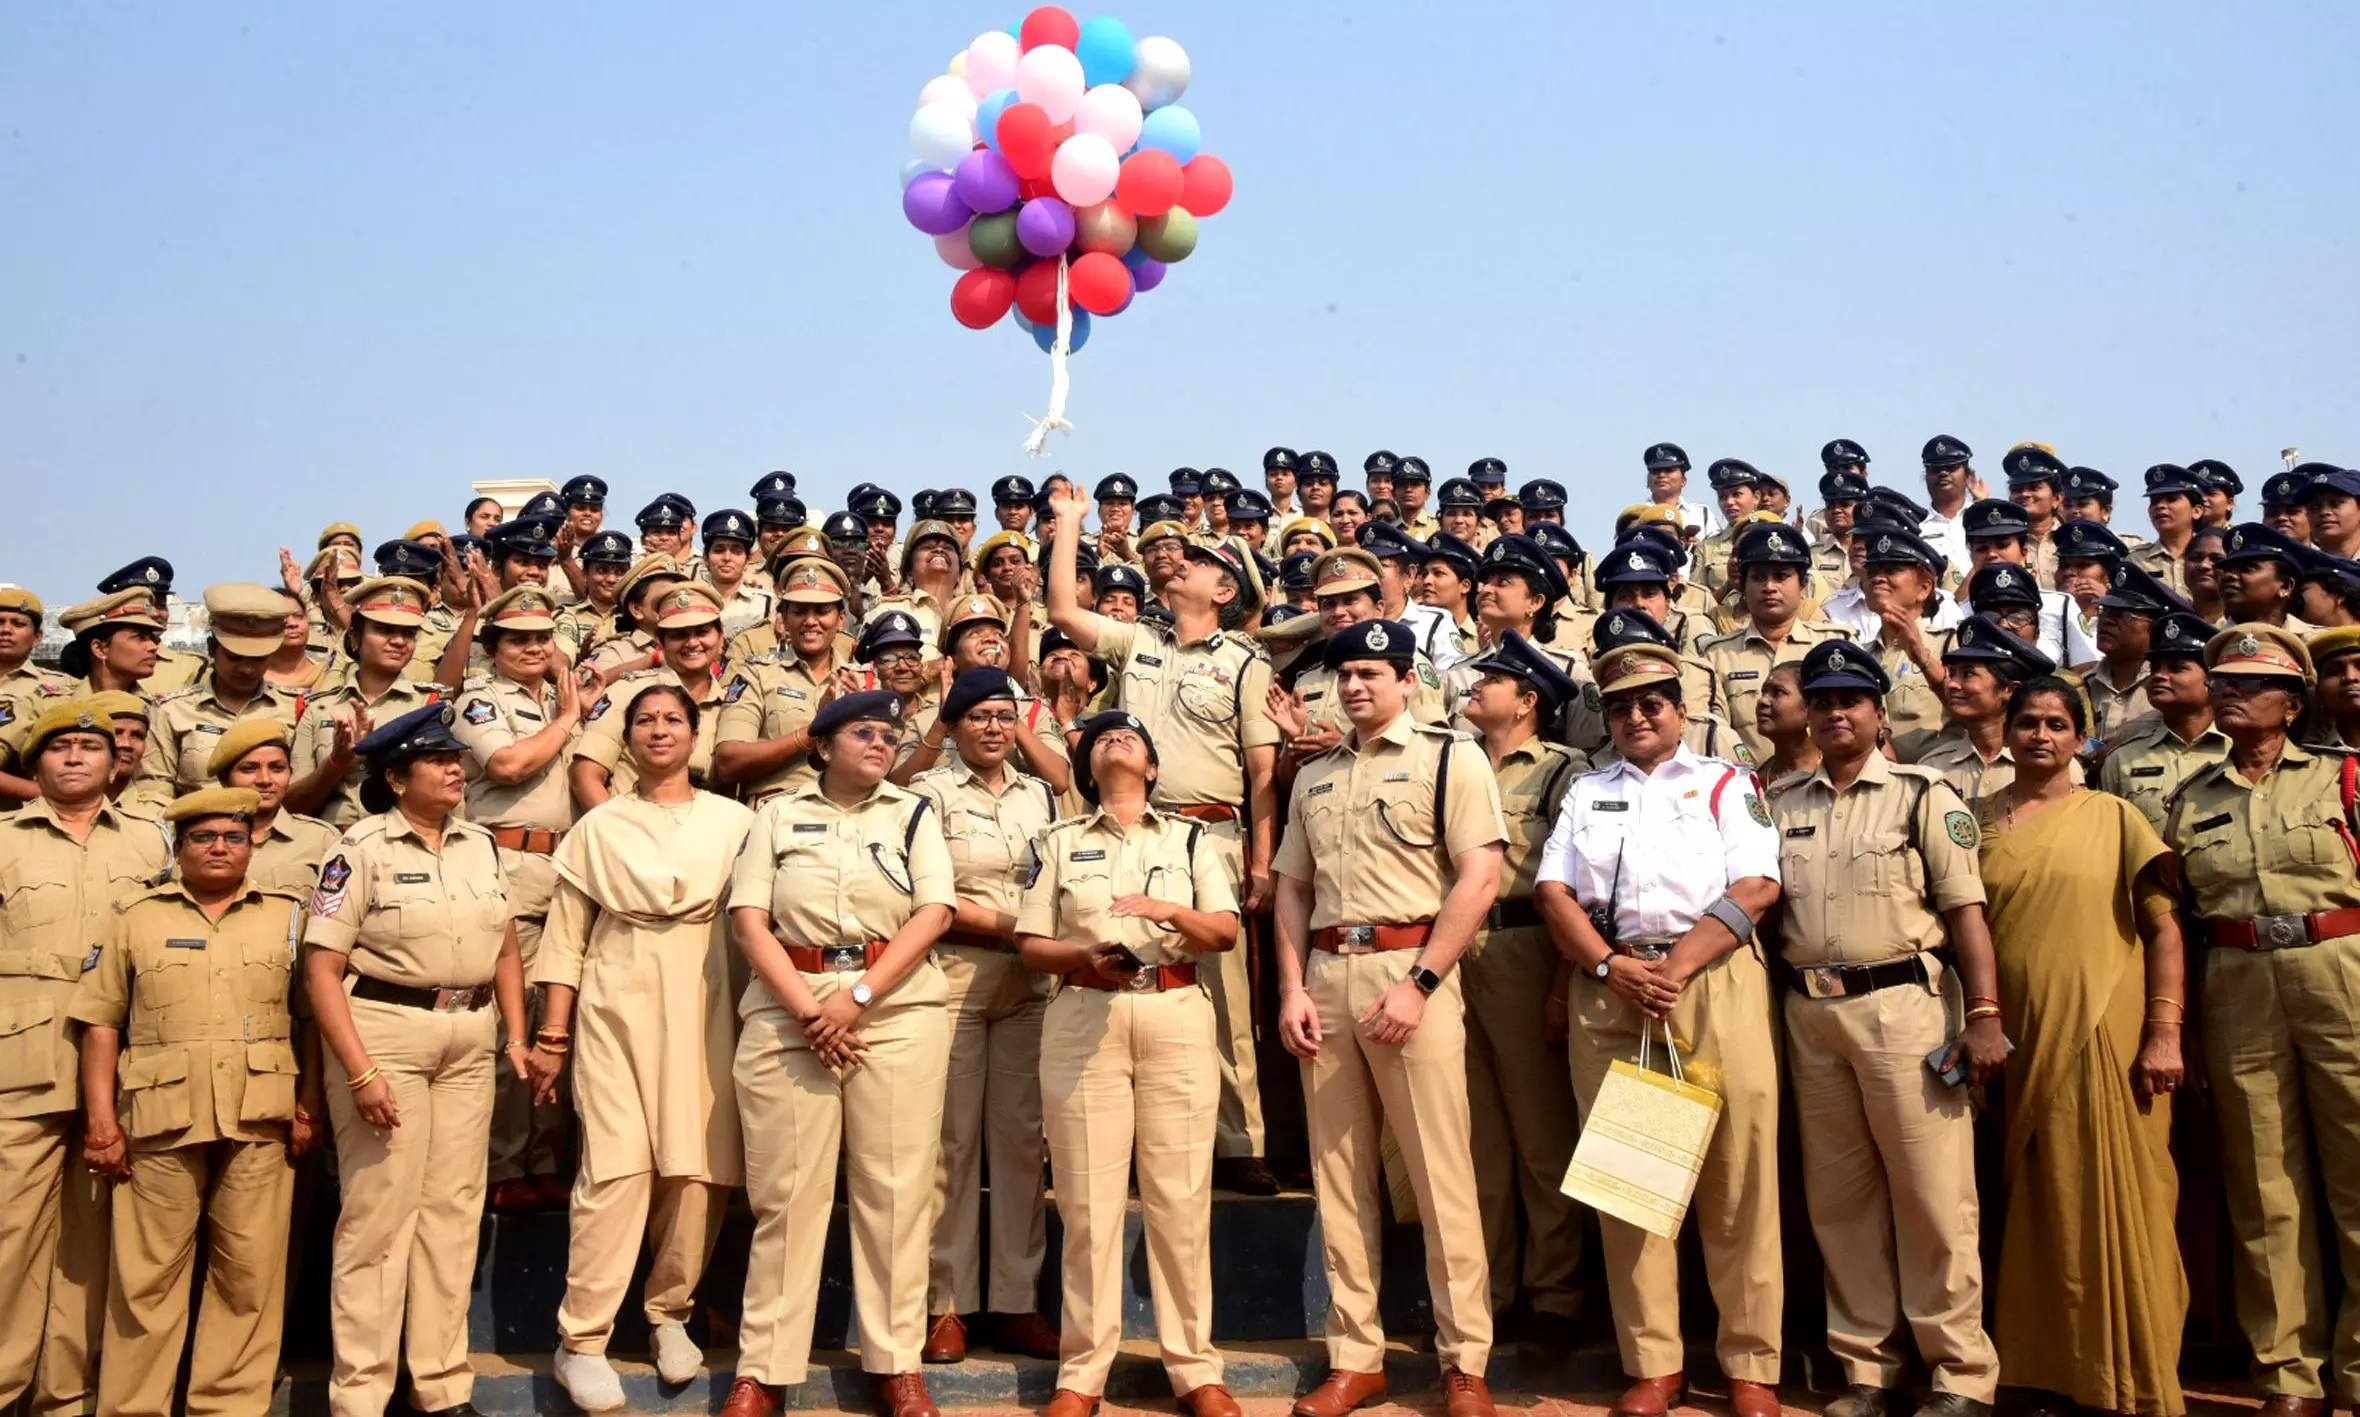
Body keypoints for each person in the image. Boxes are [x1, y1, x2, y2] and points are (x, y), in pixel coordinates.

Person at [1534, 639, 1784, 1417]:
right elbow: (1553, 891)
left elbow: (1759, 883)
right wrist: (1611, 966)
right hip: (1615, 988)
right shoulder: (1588, 788)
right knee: (1635, 1181)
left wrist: (1674, 966)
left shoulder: (1722, 781)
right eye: (1619, 705)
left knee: (1737, 1175)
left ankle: (1751, 1364)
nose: (1636, 716)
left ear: (1680, 709)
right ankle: (1655, 1362)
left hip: (1708, 982)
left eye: (1652, 702)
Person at [1767, 640, 2006, 1417]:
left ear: (1878, 712)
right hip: (1812, 1012)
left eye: (1852, 700)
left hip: (1904, 1005)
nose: (1836, 712)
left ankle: (1960, 1372)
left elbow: (1965, 911)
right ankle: (1868, 1367)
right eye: (1824, 698)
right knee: (1840, 1199)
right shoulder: (1784, 800)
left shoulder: (1920, 791)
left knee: (1934, 1195)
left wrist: (1984, 1014)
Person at [1274, 619, 1505, 1417]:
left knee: (1442, 1175)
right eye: (1344, 675)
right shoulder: (1313, 775)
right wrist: (1292, 988)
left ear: (1409, 680)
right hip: (1331, 972)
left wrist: (1421, 981)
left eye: (1372, 672)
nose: (1354, 686)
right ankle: (1355, 1354)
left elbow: (1479, 875)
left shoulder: (1450, 756)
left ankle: (1464, 1358)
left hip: (1414, 973)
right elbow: (1294, 891)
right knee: (1340, 1179)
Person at [1044, 484, 1284, 1196]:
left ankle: (1242, 1143)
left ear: (1226, 586)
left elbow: (1263, 767)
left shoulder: (1244, 660)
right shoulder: (1138, 639)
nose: (1183, 560)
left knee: (1221, 993)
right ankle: (1138, 1139)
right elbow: (1062, 610)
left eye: (1204, 559)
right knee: (1131, 979)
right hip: (1133, 824)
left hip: (1211, 831)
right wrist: (1068, 524)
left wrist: (1262, 859)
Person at [723, 690, 953, 1417]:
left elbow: (934, 912)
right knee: (788, 1196)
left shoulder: (913, 812)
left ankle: (896, 1361)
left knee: (895, 1189)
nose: (881, 742)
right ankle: (765, 1367)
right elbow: (749, 921)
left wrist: (852, 1000)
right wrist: (808, 1008)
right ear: (821, 746)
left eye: (890, 733)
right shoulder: (776, 814)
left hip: (894, 1003)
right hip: (791, 1001)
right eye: (863, 732)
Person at [523, 682, 749, 1411]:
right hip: (615, 1005)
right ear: (626, 738)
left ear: (695, 734)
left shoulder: (739, 822)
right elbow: (564, 940)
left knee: (698, 1168)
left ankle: (669, 1310)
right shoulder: (599, 826)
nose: (659, 731)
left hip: (709, 1000)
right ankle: (581, 1338)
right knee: (616, 1168)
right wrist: (552, 1034)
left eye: (673, 720)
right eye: (645, 721)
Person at [1011, 711, 1243, 1417]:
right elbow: (1030, 943)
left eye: (1131, 737)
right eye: (1101, 736)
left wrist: (1168, 908)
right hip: (1084, 1016)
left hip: (1174, 1010)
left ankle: (1196, 1367)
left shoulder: (1193, 836)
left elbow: (1225, 932)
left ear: (1151, 767)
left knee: (1179, 1199)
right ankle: (1082, 1372)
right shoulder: (1057, 841)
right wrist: (1085, 955)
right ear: (1085, 765)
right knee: (1087, 1205)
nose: (1115, 740)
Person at [304, 702, 529, 1417]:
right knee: (378, 1216)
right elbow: (320, 966)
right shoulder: (360, 848)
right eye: (438, 760)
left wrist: (516, 1034)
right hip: (386, 1029)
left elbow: (507, 947)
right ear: (397, 777)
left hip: (467, 1034)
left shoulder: (479, 844)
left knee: (452, 1215)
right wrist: (361, 1070)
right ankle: (361, 1395)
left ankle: (439, 1384)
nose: (455, 768)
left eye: (456, 758)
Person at [1976, 675, 2190, 1416]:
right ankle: (2047, 1367)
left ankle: (2129, 1372)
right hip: (2013, 1038)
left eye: (2058, 723)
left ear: (2080, 736)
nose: (2041, 734)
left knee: (2121, 1194)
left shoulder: (2116, 814)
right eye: (2028, 720)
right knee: (2040, 1200)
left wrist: (2164, 1030)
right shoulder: (1971, 821)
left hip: (2106, 1029)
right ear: (2004, 730)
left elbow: (2162, 927)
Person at [2165, 624, 2360, 1417]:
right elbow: (2177, 912)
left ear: (2293, 701)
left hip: (2341, 971)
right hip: (2236, 981)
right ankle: (2288, 1372)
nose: (2232, 691)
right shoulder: (2192, 796)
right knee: (2264, 1183)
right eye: (2225, 679)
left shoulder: (2344, 777)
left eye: (2252, 681)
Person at [71, 786, 315, 1416]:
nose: (219, 848)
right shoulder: (136, 915)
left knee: (249, 1276)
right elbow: (101, 1025)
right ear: (180, 848)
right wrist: (101, 1123)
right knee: (147, 1278)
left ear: (250, 847)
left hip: (260, 1115)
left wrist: (308, 1107)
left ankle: (227, 1407)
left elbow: (309, 1019)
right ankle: (133, 1408)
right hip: (158, 1119)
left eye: (233, 838)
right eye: (204, 838)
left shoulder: (288, 916)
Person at [0, 703, 174, 1415]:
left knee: (92, 1237)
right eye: (59, 747)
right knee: (10, 1233)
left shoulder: (149, 841)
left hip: (124, 1059)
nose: (74, 758)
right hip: (21, 1058)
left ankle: (64, 1392)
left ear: (114, 761)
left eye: (89, 746)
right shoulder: (4, 839)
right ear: (35, 764)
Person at [909, 670, 1062, 1365]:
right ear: (955, 724)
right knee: (951, 1144)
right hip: (957, 973)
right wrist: (1026, 927)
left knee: (1021, 1144)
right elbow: (934, 895)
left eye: (1004, 715)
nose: (994, 728)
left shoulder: (1041, 794)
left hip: (1029, 982)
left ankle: (1016, 1299)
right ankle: (947, 1303)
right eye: (978, 716)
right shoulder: (929, 793)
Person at [1453, 633, 1591, 1345]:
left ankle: (1554, 1295)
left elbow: (1581, 884)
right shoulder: (1456, 761)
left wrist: (1563, 983)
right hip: (1453, 952)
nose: (1477, 686)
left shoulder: (1563, 772)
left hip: (1526, 946)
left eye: (1493, 680)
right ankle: (1492, 1292)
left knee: (1541, 1134)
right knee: (1477, 1137)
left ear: (1528, 699)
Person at [450, 585, 585, 1212]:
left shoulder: (560, 693)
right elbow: (505, 765)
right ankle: (505, 1164)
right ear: (493, 647)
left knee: (561, 1027)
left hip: (563, 868)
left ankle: (544, 1159)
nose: (532, 648)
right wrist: (565, 719)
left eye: (541, 637)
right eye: (517, 640)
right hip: (508, 864)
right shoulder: (481, 697)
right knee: (514, 1025)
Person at [129, 584, 307, 811]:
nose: (246, 669)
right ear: (212, 649)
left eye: (258, 659)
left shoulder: (297, 707)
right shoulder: (171, 711)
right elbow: (155, 788)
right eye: (235, 658)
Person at [288, 576, 444, 826]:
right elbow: (293, 805)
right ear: (354, 637)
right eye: (384, 630)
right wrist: (337, 763)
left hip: (405, 847)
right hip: (332, 845)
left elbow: (446, 799)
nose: (398, 641)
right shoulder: (318, 708)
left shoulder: (430, 706)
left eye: (408, 633)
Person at [1699, 522, 1852, 766]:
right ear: (1743, 587)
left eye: (1781, 577)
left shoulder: (1835, 644)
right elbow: (1714, 735)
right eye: (1758, 577)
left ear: (1803, 587)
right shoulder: (1715, 655)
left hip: (1824, 790)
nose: (1769, 587)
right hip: (1745, 788)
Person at [571, 582, 732, 809]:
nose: (693, 642)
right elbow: (585, 776)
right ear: (661, 642)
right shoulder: (628, 691)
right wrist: (617, 835)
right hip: (629, 829)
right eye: (679, 634)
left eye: (703, 631)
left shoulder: (729, 704)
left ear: (721, 637)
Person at [714, 558, 861, 805]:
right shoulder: (757, 674)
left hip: (847, 814)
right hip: (777, 811)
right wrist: (814, 731)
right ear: (782, 617)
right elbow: (728, 763)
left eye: (823, 611)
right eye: (799, 611)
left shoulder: (862, 680)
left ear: (841, 619)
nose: (810, 621)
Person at [2098, 611, 2228, 830]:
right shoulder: (2122, 758)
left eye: (2177, 668)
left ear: (2212, 680)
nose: (2159, 676)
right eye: (2155, 668)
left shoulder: (2238, 748)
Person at [1919, 615, 2060, 804]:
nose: (1952, 684)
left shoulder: (2052, 764)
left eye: (1968, 674)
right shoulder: (1933, 767)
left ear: (2010, 690)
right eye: (1952, 673)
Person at [209, 717, 340, 891]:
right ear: (225, 779)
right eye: (249, 769)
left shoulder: (322, 839)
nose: (265, 780)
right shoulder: (201, 839)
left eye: (277, 768)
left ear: (290, 773)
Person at [2133, 464, 2206, 598]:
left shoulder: (2210, 558)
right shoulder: (2135, 561)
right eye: (2154, 501)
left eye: (2172, 499)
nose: (2160, 506)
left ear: (2196, 511)